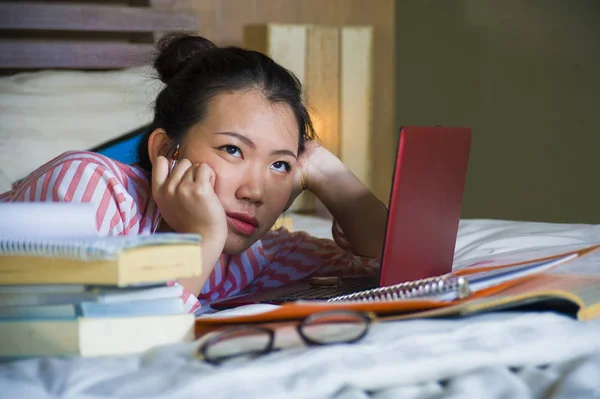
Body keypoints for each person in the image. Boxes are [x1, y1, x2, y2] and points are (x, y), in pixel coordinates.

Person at [0, 33, 388, 313]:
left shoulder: (251, 252)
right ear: (167, 150)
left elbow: (392, 273)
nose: (255, 192)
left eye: (279, 164)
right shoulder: (87, 187)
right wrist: (201, 238)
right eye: (232, 149)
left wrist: (329, 174)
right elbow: (94, 333)